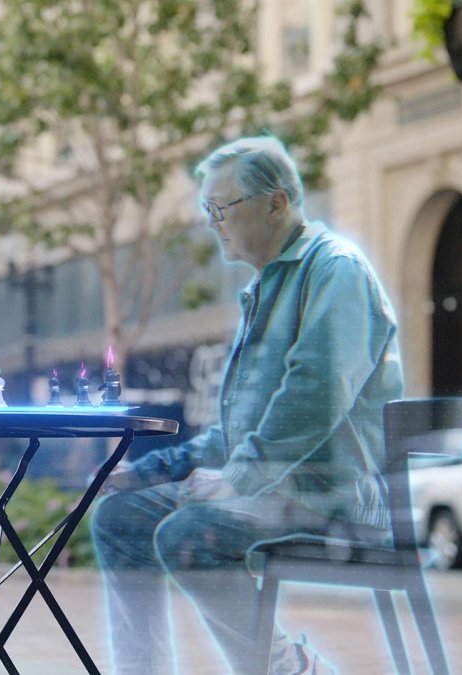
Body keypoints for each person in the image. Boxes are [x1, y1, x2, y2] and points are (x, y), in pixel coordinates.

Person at [91, 136, 404, 675]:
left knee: (188, 534)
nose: (213, 221)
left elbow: (316, 392)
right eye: (206, 209)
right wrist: (143, 472)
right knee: (119, 515)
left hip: (332, 496)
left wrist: (239, 476)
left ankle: (287, 668)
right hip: (277, 489)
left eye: (221, 207)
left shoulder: (337, 271)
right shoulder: (269, 288)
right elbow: (232, 433)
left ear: (275, 202)